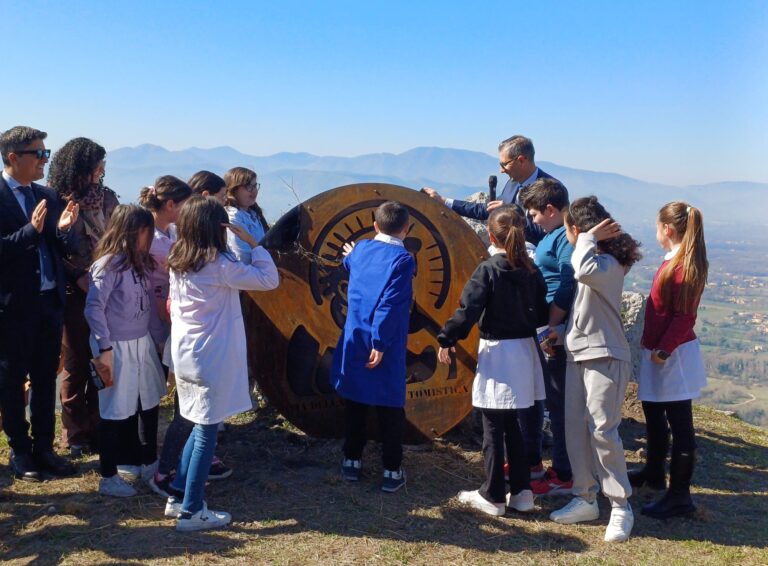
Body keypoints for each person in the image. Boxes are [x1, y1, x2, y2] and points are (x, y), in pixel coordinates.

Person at [166, 197, 279, 531]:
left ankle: (177, 494)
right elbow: (269, 279)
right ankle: (191, 511)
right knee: (206, 430)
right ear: (218, 229)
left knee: (194, 420)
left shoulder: (178, 260)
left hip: (186, 353)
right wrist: (253, 244)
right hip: (211, 356)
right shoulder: (219, 265)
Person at [437, 205, 548, 516]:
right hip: (525, 352)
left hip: (498, 353)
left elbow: (467, 310)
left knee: (493, 427)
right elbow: (541, 313)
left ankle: (494, 494)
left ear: (490, 234)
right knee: (514, 423)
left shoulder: (487, 270)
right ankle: (522, 492)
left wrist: (446, 338)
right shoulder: (531, 270)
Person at [549, 196, 642, 543]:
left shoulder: (607, 263)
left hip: (605, 355)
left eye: (569, 230)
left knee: (603, 430)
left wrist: (586, 237)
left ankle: (620, 506)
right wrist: (559, 334)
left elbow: (582, 270)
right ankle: (585, 496)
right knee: (575, 428)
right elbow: (587, 311)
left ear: (576, 229)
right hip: (580, 353)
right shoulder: (598, 260)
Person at [0, 126, 80, 481]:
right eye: (39, 154)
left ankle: (44, 447)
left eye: (47, 154)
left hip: (49, 302)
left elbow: (61, 249)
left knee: (47, 377)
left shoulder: (46, 194)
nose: (45, 161)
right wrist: (30, 232)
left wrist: (63, 230)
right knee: (13, 379)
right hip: (13, 307)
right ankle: (20, 451)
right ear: (13, 157)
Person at [630, 201, 708, 519]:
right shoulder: (675, 260)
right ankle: (653, 473)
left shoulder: (685, 265)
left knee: (681, 425)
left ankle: (680, 496)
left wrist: (663, 349)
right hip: (659, 352)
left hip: (672, 356)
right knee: (653, 412)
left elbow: (684, 316)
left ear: (667, 229)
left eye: (656, 227)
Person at [332, 201, 415, 493]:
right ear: (406, 229)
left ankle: (351, 461)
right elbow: (390, 304)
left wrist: (350, 254)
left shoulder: (362, 250)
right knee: (390, 405)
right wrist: (380, 342)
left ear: (375, 225)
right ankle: (392, 470)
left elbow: (349, 262)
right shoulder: (403, 260)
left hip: (355, 336)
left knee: (356, 401)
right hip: (385, 341)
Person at [84, 204, 167, 497]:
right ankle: (108, 475)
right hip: (116, 347)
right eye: (148, 232)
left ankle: (147, 461)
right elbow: (95, 308)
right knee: (115, 411)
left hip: (141, 343)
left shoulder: (140, 264)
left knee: (147, 402)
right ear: (133, 232)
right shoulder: (108, 265)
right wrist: (104, 347)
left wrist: (159, 339)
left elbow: (148, 311)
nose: (151, 238)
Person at [48, 137, 120, 457]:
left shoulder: (107, 199)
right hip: (73, 293)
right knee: (76, 363)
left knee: (103, 359)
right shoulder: (54, 200)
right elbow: (49, 248)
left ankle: (100, 425)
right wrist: (76, 276)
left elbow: (119, 238)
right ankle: (75, 433)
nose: (101, 170)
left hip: (107, 291)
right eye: (96, 164)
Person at [519, 178, 575, 496]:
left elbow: (569, 281)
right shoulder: (555, 234)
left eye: (535, 214)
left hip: (552, 329)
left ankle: (565, 472)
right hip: (546, 328)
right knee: (549, 395)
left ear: (550, 209)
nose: (534, 221)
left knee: (558, 399)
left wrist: (552, 323)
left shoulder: (564, 239)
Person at [422, 135, 566, 246]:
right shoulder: (512, 183)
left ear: (521, 160)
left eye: (504, 164)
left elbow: (549, 232)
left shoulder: (551, 189)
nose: (501, 170)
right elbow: (490, 209)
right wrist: (444, 201)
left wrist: (512, 213)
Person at [224, 167, 270, 264]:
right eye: (249, 187)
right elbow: (242, 256)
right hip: (249, 274)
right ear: (234, 190)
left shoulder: (254, 214)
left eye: (255, 186)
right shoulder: (233, 216)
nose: (254, 191)